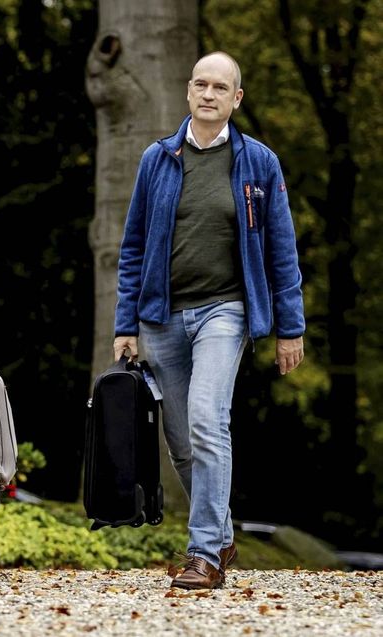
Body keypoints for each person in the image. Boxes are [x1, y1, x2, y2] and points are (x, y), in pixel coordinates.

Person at [112, 52, 305, 590]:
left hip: (227, 311)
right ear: (189, 91)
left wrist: (291, 327)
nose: (209, 93)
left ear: (236, 98)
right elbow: (132, 248)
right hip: (161, 317)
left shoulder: (259, 163)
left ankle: (203, 556)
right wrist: (125, 322)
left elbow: (281, 250)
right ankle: (220, 534)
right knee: (181, 441)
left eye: (221, 87)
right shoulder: (158, 158)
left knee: (206, 418)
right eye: (201, 83)